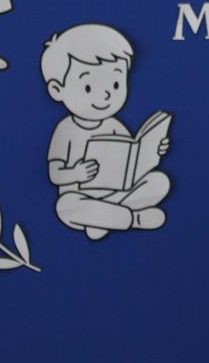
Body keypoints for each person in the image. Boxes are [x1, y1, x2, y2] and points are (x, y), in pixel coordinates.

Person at [42, 23, 171, 241]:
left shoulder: (114, 125)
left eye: (116, 84)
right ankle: (133, 219)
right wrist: (76, 174)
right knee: (65, 206)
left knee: (160, 181)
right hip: (80, 197)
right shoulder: (66, 130)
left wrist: (152, 151)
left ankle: (104, 218)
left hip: (117, 193)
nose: (105, 96)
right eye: (88, 87)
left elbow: (130, 162)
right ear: (57, 90)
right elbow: (54, 174)